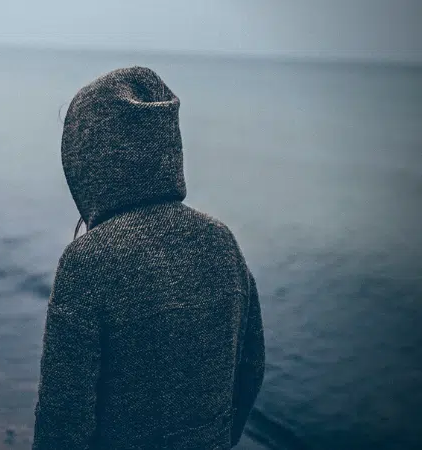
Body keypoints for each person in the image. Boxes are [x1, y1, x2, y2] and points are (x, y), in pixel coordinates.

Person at [32, 66, 265, 449]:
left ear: (87, 159)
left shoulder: (88, 262)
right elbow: (250, 371)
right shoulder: (221, 242)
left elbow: (63, 420)